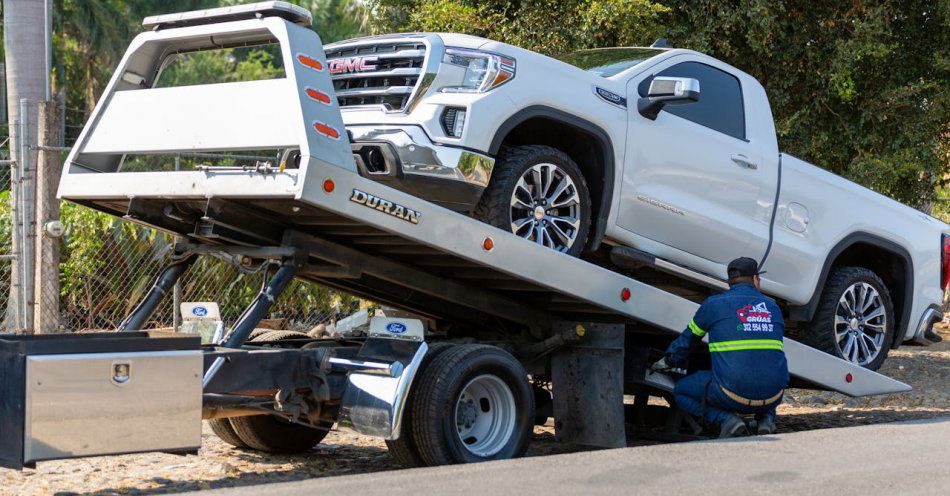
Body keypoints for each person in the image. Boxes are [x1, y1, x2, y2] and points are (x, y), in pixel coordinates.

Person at [652, 257, 789, 437]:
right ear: (756, 279)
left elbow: (687, 341)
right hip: (775, 395)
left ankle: (726, 420)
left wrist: (667, 361)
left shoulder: (714, 304)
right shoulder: (773, 308)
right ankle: (766, 420)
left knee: (682, 391)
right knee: (765, 372)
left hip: (731, 395)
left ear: (729, 282)